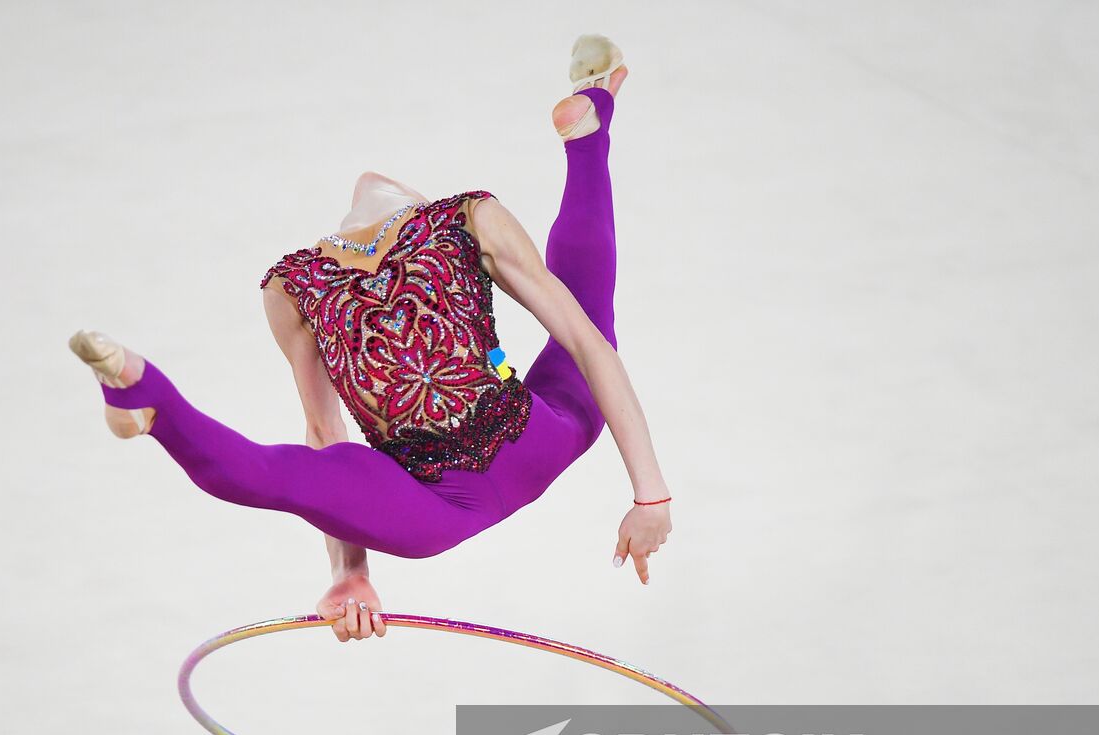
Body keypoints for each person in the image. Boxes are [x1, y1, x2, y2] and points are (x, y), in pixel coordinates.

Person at [69, 34, 671, 643]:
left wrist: (350, 573)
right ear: (413, 205)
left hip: (430, 506)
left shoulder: (295, 286)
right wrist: (649, 496)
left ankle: (147, 398)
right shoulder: (462, 219)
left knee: (286, 476)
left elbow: (324, 436)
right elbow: (587, 343)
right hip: (538, 438)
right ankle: (588, 136)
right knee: (586, 319)